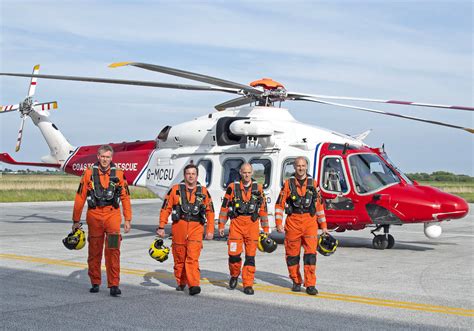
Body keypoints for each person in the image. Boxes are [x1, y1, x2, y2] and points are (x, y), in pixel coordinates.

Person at [72, 144, 132, 297]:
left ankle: (114, 284)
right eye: (103, 157)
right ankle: (95, 282)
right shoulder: (88, 173)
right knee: (94, 251)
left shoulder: (118, 174)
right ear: (98, 157)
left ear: (111, 158)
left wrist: (128, 218)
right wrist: (75, 220)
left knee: (113, 251)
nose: (105, 160)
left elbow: (125, 197)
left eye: (108, 157)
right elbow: (80, 197)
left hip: (112, 216)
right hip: (94, 216)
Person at [157, 163, 215, 295]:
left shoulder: (203, 192)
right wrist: (161, 226)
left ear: (197, 176)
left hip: (196, 228)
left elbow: (210, 212)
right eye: (188, 174)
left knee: (192, 258)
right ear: (184, 175)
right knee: (179, 258)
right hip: (179, 227)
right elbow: (166, 208)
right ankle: (181, 281)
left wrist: (210, 230)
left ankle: (194, 285)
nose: (191, 176)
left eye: (193, 174)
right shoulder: (175, 190)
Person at [275, 157, 328, 295]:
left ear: (306, 167)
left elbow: (319, 206)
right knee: (292, 255)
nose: (301, 168)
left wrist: (323, 226)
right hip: (293, 222)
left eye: (303, 165)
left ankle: (310, 284)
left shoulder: (313, 184)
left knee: (310, 255)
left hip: (310, 223)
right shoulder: (288, 184)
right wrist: (278, 223)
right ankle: (296, 281)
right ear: (294, 167)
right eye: (298, 165)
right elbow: (279, 204)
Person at [218, 163, 269, 295]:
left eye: (249, 172)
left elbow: (263, 209)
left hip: (252, 225)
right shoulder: (232, 188)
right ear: (240, 172)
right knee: (234, 255)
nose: (246, 175)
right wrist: (222, 225)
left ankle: (248, 284)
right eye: (244, 172)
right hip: (236, 225)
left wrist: (265, 228)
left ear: (252, 173)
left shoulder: (258, 188)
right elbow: (224, 208)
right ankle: (234, 275)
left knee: (250, 257)